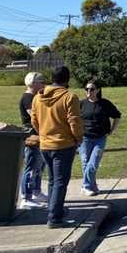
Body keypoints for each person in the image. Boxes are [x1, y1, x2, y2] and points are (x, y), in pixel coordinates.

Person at [31, 66, 83, 228]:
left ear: (51, 78)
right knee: (60, 182)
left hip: (45, 144)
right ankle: (54, 217)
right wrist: (78, 138)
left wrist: (43, 133)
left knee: (53, 181)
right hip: (63, 144)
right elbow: (74, 121)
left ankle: (55, 210)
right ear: (67, 79)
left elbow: (34, 119)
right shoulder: (69, 97)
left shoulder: (38, 97)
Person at [78, 79, 121, 196]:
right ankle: (91, 185)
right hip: (84, 138)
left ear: (98, 90)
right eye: (86, 89)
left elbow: (117, 116)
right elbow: (73, 120)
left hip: (100, 138)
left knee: (93, 163)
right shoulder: (81, 104)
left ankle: (86, 185)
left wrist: (112, 130)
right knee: (86, 162)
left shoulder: (105, 104)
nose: (89, 91)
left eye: (92, 89)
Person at [18, 72, 47, 209]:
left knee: (39, 166)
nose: (44, 84)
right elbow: (35, 116)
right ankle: (26, 197)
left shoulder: (35, 97)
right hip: (32, 137)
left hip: (39, 136)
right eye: (41, 81)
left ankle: (36, 191)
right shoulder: (27, 98)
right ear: (33, 83)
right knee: (31, 165)